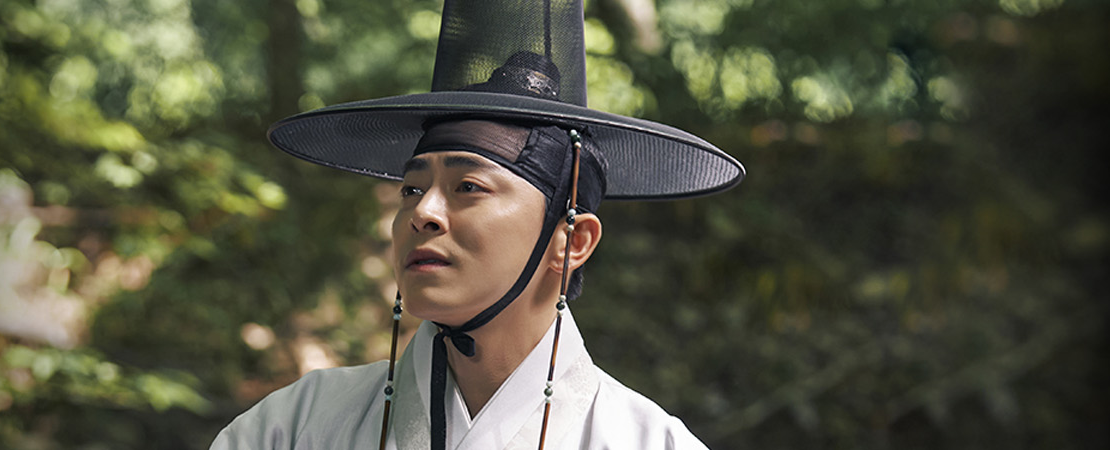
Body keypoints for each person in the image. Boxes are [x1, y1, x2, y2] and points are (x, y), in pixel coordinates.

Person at [210, 1, 743, 449]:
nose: (423, 213)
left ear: (571, 240)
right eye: (411, 189)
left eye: (468, 187)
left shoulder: (646, 441)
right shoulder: (292, 427)